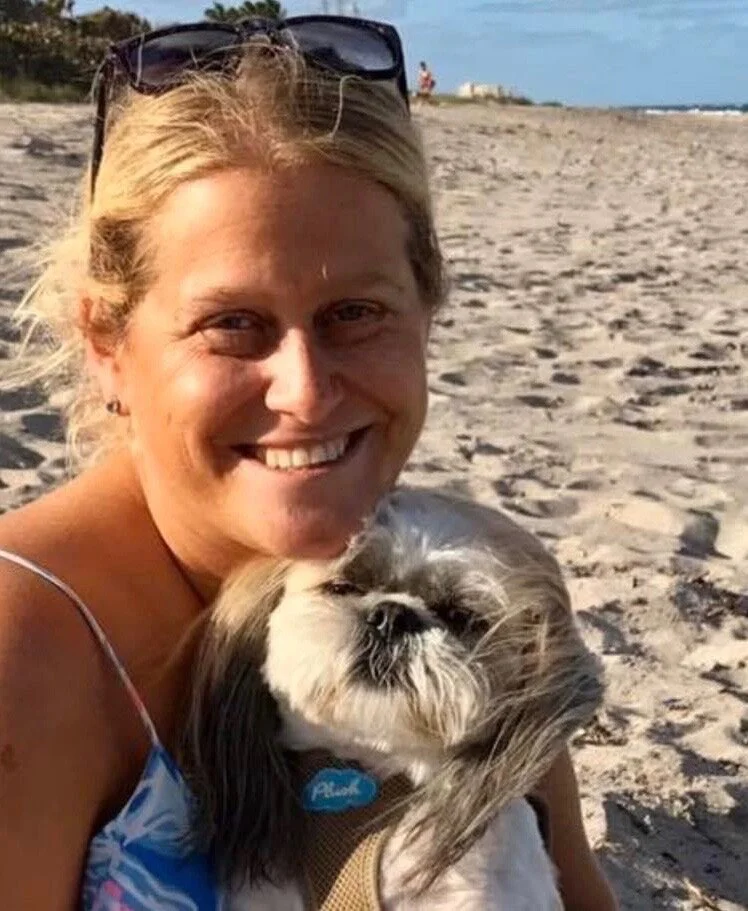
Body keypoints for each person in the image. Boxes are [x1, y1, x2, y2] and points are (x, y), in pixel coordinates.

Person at [0, 16, 617, 911]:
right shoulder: (24, 659)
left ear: (426, 310)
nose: (304, 390)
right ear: (106, 341)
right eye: (232, 324)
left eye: (355, 313)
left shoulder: (481, 586)